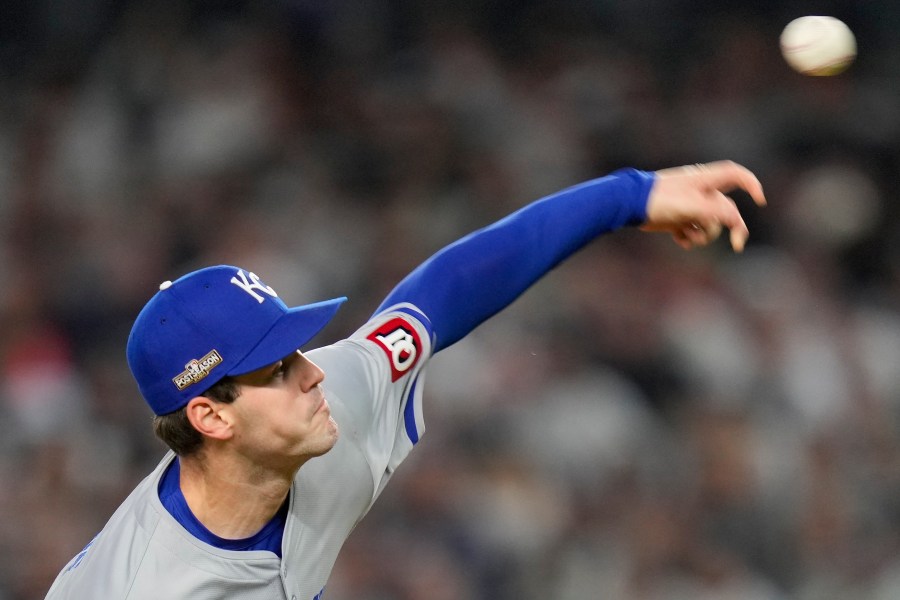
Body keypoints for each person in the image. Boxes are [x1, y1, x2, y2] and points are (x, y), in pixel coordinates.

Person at [44, 161, 765, 599]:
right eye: (277, 368)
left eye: (298, 351)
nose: (311, 374)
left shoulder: (331, 399)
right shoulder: (153, 588)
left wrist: (629, 197)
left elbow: (443, 294)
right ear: (211, 417)